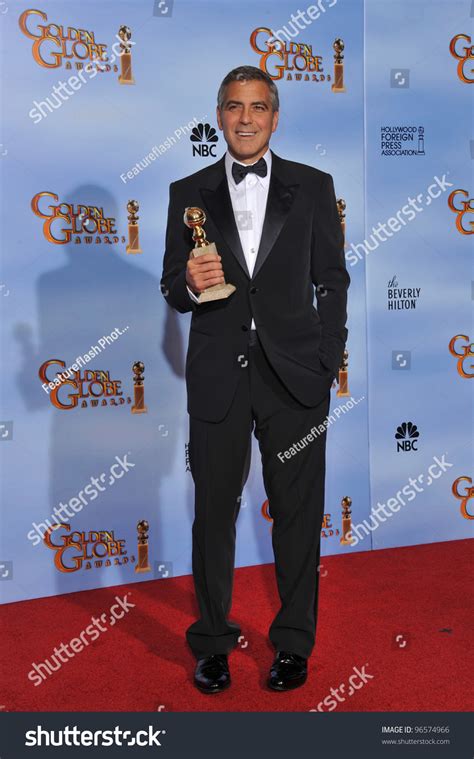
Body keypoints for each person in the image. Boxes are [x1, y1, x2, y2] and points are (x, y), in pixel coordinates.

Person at [161, 65, 350, 694]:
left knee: (297, 513)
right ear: (219, 114)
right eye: (235, 106)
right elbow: (173, 287)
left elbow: (333, 281)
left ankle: (293, 643)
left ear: (275, 116)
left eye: (259, 107)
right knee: (213, 513)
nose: (246, 118)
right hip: (218, 376)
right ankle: (212, 643)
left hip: (295, 377)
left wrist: (327, 361)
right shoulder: (186, 191)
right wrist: (189, 284)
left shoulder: (314, 187)